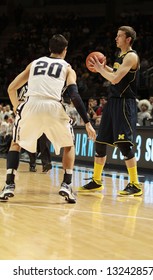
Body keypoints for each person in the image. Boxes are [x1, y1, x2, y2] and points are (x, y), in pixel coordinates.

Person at [0, 34, 96, 203]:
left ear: (49, 49)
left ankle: (9, 184)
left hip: (31, 104)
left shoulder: (34, 64)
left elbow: (11, 88)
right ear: (65, 50)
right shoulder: (67, 68)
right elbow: (74, 95)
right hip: (53, 105)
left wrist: (17, 108)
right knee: (68, 145)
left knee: (15, 143)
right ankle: (66, 184)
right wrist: (87, 122)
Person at [79, 26, 142, 196]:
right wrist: (101, 66)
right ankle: (96, 181)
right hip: (113, 102)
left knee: (123, 144)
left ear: (128, 39)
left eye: (119, 36)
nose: (116, 38)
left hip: (124, 104)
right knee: (100, 142)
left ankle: (135, 184)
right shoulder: (120, 56)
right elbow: (113, 72)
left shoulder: (131, 57)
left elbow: (115, 79)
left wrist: (100, 69)